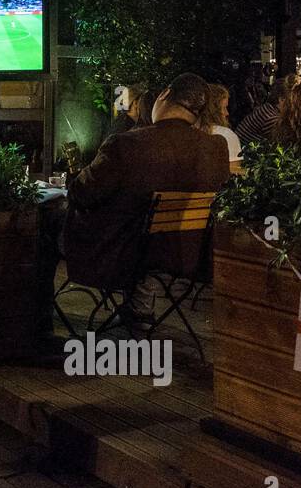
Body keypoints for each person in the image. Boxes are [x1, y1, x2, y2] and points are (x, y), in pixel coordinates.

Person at [61, 73, 231, 326]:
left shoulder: (126, 144)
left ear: (163, 96)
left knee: (44, 222)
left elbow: (81, 194)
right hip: (186, 254)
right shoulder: (216, 147)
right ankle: (138, 309)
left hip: (118, 252)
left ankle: (33, 323)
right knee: (137, 222)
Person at [235, 74, 296, 145]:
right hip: (242, 152)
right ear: (281, 99)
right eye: (292, 99)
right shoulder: (271, 118)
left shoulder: (267, 108)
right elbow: (279, 145)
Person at [201, 83, 241, 163]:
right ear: (214, 110)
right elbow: (235, 171)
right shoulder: (226, 135)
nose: (227, 113)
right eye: (224, 108)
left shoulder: (188, 131)